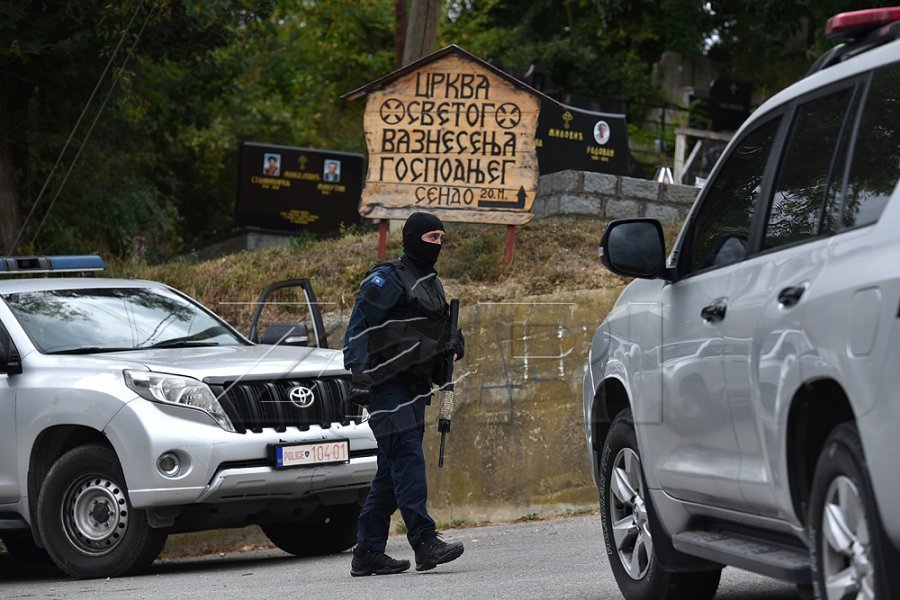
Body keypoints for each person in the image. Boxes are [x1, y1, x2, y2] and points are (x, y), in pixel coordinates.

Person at [344, 211, 465, 577]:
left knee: (391, 472)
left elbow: (441, 328)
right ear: (411, 238)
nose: (437, 246)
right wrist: (360, 377)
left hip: (414, 387)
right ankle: (424, 540)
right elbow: (358, 328)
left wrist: (455, 343)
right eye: (431, 239)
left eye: (441, 240)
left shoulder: (431, 283)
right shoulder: (388, 279)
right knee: (408, 458)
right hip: (385, 385)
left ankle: (367, 551)